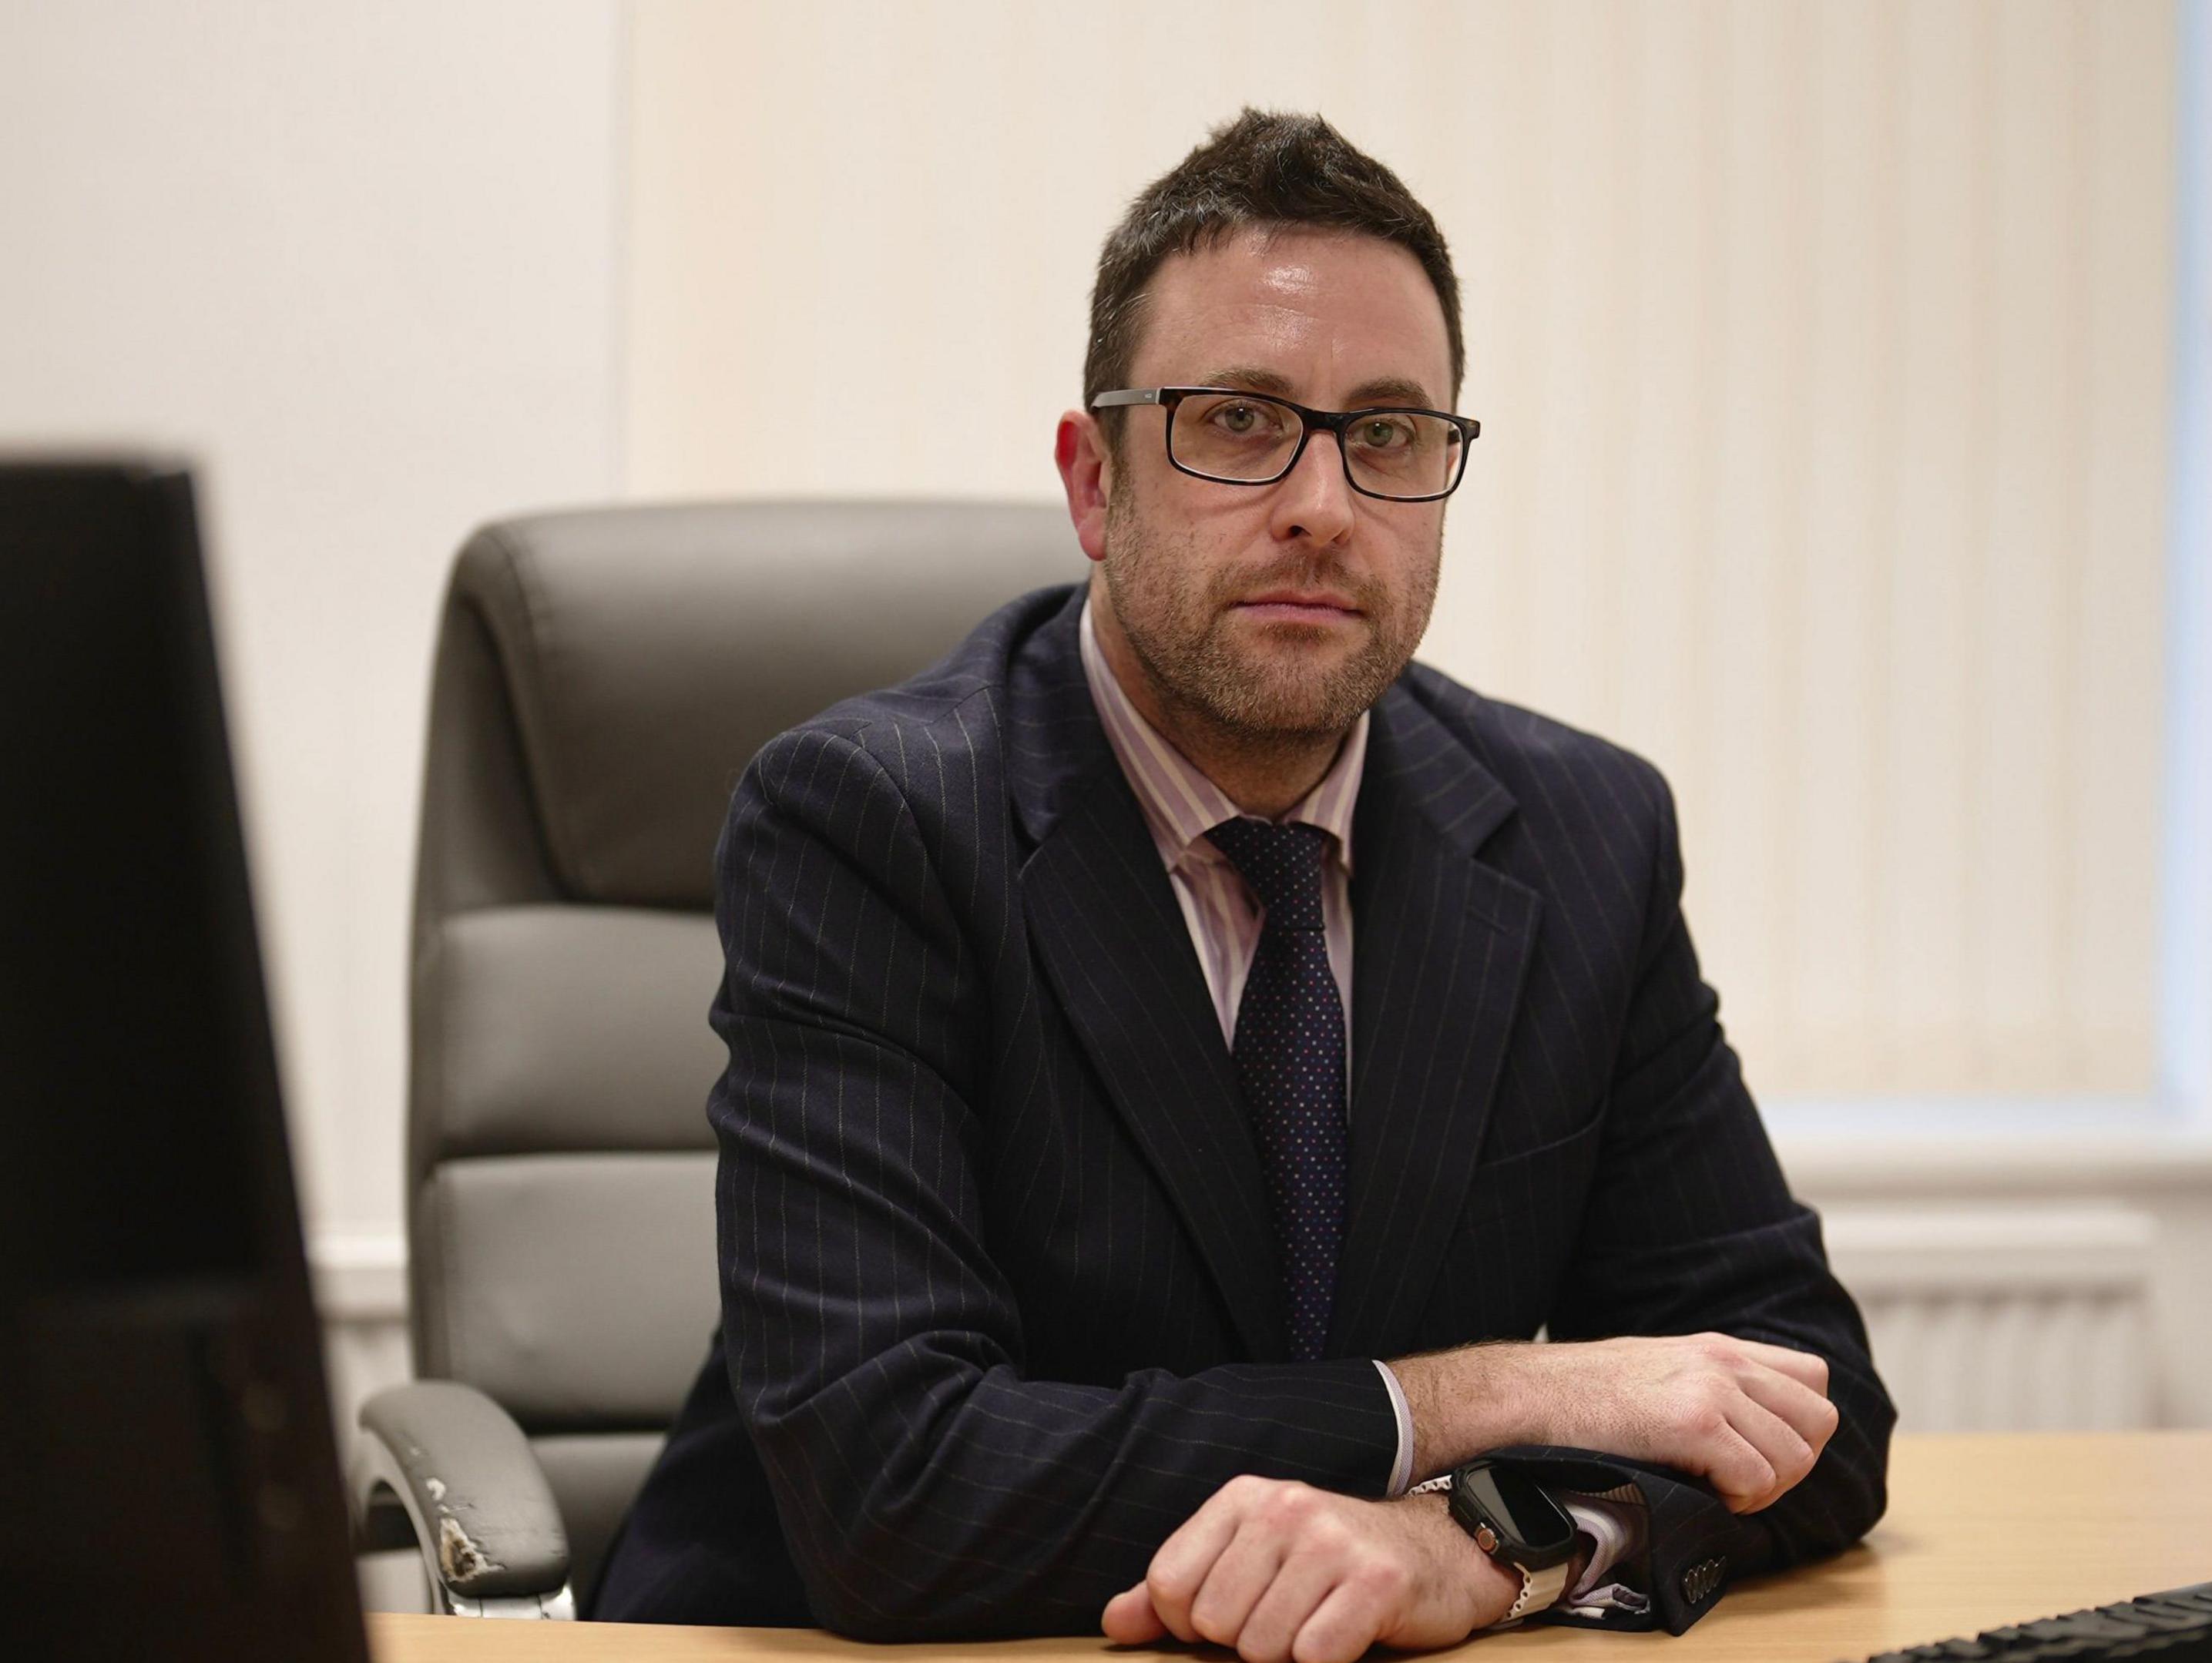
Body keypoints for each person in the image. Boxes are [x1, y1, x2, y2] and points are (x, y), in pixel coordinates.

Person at [593, 109, 1892, 1657]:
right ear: (1095, 484)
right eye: (1237, 419)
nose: (1323, 505)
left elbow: (1810, 1408)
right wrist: (1484, 1398)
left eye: (1389, 434)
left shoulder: (1581, 836)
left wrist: (1483, 1549)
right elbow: (898, 1494)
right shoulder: (876, 824)